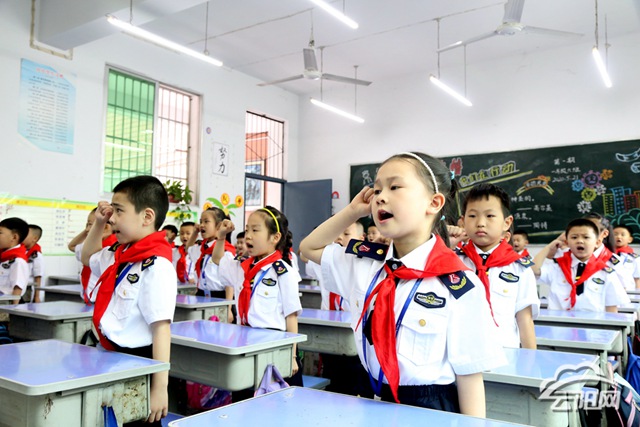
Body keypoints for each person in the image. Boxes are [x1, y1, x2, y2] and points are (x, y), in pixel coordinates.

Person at [300, 152, 505, 416]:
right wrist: (352, 211)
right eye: (377, 190)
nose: (380, 197)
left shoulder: (459, 285)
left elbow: (469, 377)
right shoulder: (363, 264)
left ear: (434, 203)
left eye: (395, 187)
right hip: (369, 398)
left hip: (429, 409)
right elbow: (309, 247)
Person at [81, 175, 176, 425]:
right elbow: (87, 257)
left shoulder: (156, 265)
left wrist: (159, 388)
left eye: (119, 211)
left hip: (139, 364)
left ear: (147, 216)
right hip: (108, 358)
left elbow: (161, 330)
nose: (111, 218)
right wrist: (98, 223)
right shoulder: (118, 254)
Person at [212, 206, 303, 396]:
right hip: (244, 344)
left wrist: (292, 355)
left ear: (275, 238)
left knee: (272, 404)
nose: (248, 236)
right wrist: (221, 237)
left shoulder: (283, 272)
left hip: (273, 348)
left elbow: (291, 317)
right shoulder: (241, 267)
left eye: (255, 230)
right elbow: (218, 259)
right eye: (247, 229)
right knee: (243, 399)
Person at [456, 183, 538, 349]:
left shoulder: (519, 269)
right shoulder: (453, 262)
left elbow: (525, 320)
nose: (480, 223)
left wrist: (530, 360)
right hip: (459, 353)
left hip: (504, 354)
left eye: (490, 216)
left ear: (506, 223)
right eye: (472, 216)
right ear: (463, 222)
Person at [532, 218, 629, 312]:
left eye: (586, 237)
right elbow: (533, 270)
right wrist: (548, 247)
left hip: (593, 322)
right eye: (574, 237)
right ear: (567, 242)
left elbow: (612, 309)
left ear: (597, 242)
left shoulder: (606, 273)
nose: (580, 241)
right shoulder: (557, 267)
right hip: (558, 322)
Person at [186, 207, 236, 300]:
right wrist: (195, 233)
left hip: (219, 297)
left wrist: (228, 305)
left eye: (206, 221)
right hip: (201, 295)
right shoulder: (201, 248)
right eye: (201, 222)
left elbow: (229, 282)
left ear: (219, 226)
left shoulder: (224, 250)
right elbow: (188, 249)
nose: (202, 225)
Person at [68, 208, 116, 303]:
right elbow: (72, 246)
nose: (87, 229)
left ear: (106, 227)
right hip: (88, 298)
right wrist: (87, 231)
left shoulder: (112, 249)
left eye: (90, 224)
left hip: (102, 301)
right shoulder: (87, 246)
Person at [584, 213, 635, 291]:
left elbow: (627, 288)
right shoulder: (568, 255)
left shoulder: (613, 261)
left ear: (605, 233)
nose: (587, 232)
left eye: (594, 229)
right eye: (584, 228)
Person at [0, 217, 29, 304]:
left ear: (14, 237)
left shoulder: (18, 260)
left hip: (6, 303)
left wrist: (14, 308)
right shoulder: (3, 256)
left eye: (0, 233)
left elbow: (18, 288)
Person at [613, 224, 640, 289]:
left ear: (630, 239)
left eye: (623, 235)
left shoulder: (635, 258)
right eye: (615, 234)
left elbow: (637, 279)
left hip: (629, 291)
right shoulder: (605, 255)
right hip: (609, 291)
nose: (619, 237)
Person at [24, 224, 44, 302]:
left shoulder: (36, 255)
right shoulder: (20, 251)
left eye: (25, 234)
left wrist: (37, 296)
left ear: (34, 238)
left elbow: (38, 276)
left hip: (28, 289)